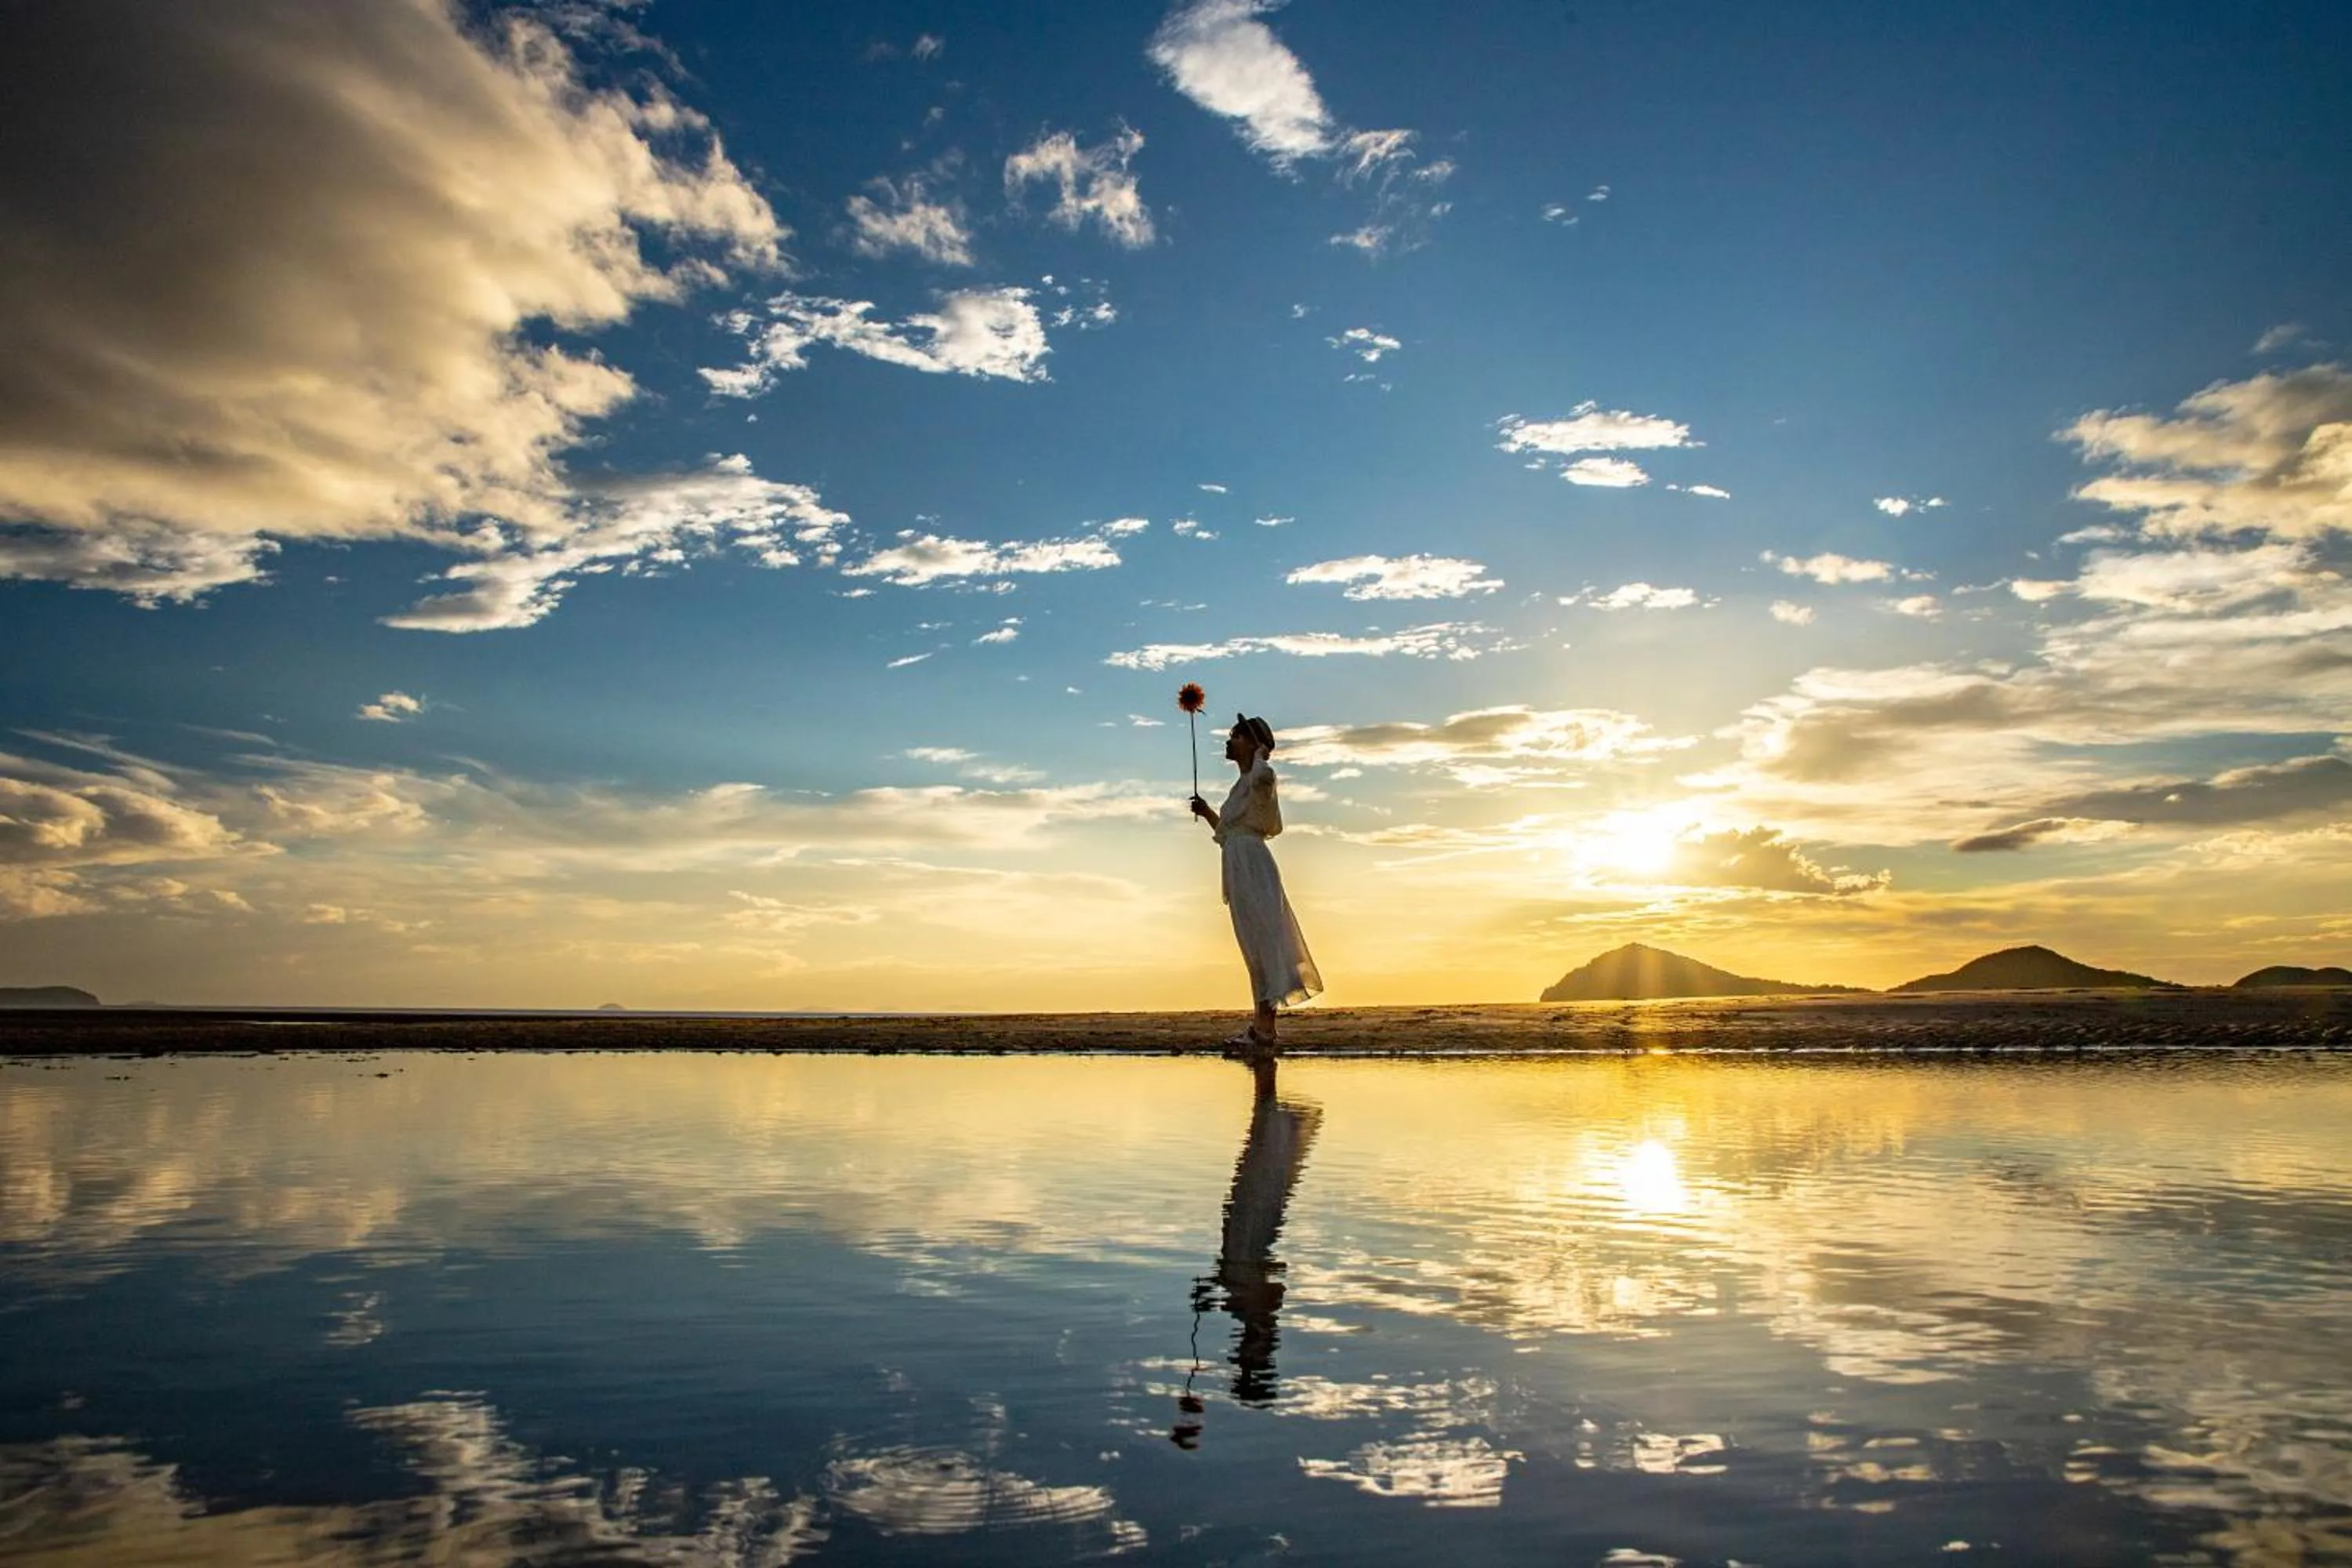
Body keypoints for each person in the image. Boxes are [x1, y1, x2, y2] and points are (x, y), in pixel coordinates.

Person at [1189, 713, 1323, 1052]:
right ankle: (1263, 1029)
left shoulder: (1261, 776)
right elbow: (1227, 834)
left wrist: (1262, 754)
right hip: (1239, 866)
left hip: (1253, 868)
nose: (1228, 739)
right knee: (1254, 949)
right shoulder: (1240, 787)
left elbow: (1265, 776)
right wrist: (1206, 813)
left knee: (1266, 945)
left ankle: (1264, 1031)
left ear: (1252, 743)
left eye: (1236, 735)